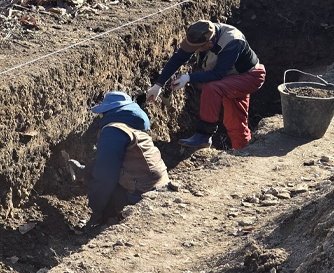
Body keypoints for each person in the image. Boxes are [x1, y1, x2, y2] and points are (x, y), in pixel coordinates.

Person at [146, 20, 265, 150]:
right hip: (230, 77)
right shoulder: (201, 33)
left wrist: (188, 77)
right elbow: (179, 57)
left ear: (209, 44)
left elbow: (218, 74)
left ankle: (204, 135)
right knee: (234, 122)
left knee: (211, 88)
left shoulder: (232, 42)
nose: (193, 50)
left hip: (249, 77)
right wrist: (158, 85)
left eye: (196, 48)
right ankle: (242, 151)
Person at [84, 91, 169, 228]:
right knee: (96, 167)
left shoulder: (113, 131)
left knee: (94, 171)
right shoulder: (135, 128)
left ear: (108, 112)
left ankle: (107, 220)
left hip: (140, 196)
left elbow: (105, 177)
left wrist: (96, 211)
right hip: (162, 187)